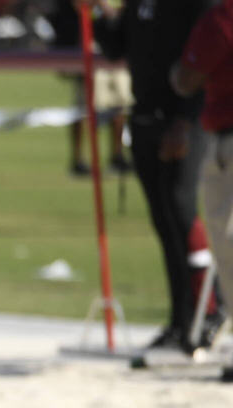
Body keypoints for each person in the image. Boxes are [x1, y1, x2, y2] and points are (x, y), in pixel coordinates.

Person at [86, 0, 228, 357]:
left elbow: (202, 61)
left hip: (183, 122)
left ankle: (209, 309)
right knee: (164, 220)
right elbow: (117, 47)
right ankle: (180, 320)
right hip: (145, 113)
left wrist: (183, 120)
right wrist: (101, 13)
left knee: (183, 214)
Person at [173, 0, 233, 380]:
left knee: (226, 244)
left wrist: (172, 73)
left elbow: (188, 77)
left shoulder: (223, 14)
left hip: (228, 136)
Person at [50, 0, 131, 178]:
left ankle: (117, 156)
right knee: (86, 105)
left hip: (119, 39)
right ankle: (79, 159)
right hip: (92, 39)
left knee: (120, 102)